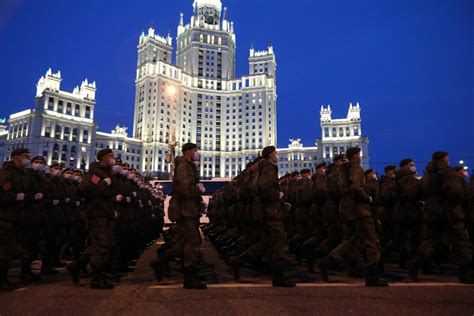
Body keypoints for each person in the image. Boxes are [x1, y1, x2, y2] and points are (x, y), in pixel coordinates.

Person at [318, 147, 388, 287]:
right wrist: (367, 198)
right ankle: (372, 276)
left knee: (348, 241)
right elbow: (356, 188)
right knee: (371, 241)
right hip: (358, 210)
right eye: (358, 155)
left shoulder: (341, 171)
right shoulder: (355, 168)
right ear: (355, 156)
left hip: (345, 210)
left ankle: (326, 263)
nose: (360, 157)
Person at [408, 152, 474, 283]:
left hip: (432, 213)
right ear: (444, 160)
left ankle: (415, 263)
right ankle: (466, 273)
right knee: (461, 241)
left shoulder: (428, 176)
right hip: (449, 211)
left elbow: (416, 192)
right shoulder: (448, 173)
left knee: (431, 241)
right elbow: (456, 191)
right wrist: (458, 204)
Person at [151, 143, 206, 289]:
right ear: (188, 152)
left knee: (183, 242)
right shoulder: (184, 166)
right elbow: (184, 188)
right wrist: (197, 188)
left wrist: (198, 199)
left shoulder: (187, 165)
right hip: (186, 210)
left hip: (188, 208)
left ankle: (160, 263)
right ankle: (189, 277)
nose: (197, 153)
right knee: (193, 241)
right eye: (195, 150)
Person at [72, 149, 117, 289]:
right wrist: (104, 183)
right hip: (97, 214)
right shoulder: (95, 173)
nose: (113, 158)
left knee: (102, 244)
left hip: (105, 212)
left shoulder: (107, 172)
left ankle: (77, 266)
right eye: (110, 156)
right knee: (102, 245)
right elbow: (85, 189)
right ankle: (96, 278)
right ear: (103, 158)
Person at [256, 146, 295, 287]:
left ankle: (274, 273)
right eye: (275, 153)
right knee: (279, 242)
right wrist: (277, 195)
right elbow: (265, 186)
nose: (277, 155)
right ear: (270, 155)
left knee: (269, 242)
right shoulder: (269, 167)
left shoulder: (262, 167)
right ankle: (279, 278)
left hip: (267, 210)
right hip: (272, 210)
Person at [0, 148, 32, 290]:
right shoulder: (6, 174)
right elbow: (3, 194)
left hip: (17, 217)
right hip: (5, 217)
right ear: (16, 157)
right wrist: (14, 197)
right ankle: (2, 280)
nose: (28, 159)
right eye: (26, 156)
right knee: (4, 251)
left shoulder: (23, 174)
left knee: (13, 249)